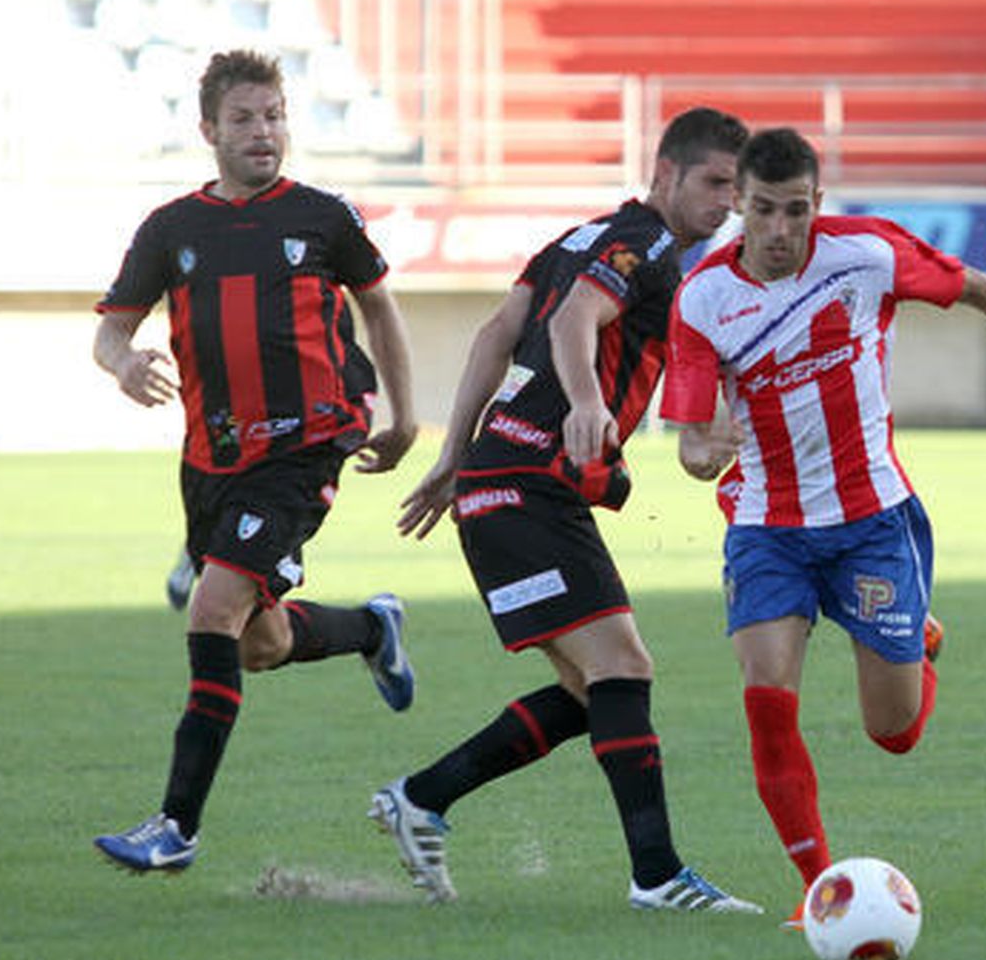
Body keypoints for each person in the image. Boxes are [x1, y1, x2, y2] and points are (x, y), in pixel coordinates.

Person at [660, 127, 986, 924]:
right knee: (767, 698)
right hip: (766, 526)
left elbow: (975, 284)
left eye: (798, 211)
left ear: (818, 203)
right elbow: (694, 440)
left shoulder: (866, 255)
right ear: (738, 204)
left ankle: (920, 639)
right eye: (765, 211)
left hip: (872, 521)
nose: (781, 231)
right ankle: (817, 893)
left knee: (894, 734)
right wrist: (705, 452)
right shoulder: (703, 298)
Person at [369, 107, 761, 913]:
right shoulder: (648, 244)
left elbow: (495, 332)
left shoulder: (576, 239)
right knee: (623, 669)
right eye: (714, 182)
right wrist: (585, 404)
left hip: (501, 483)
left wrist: (455, 456)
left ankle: (423, 797)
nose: (725, 201)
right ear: (666, 175)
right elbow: (581, 315)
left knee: (598, 692)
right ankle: (656, 878)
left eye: (735, 186)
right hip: (531, 485)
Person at [91, 50, 419, 874]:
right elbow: (110, 331)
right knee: (257, 643)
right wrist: (122, 363)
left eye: (273, 115)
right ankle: (371, 627)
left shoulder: (323, 217)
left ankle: (176, 828)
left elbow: (379, 304)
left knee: (210, 614)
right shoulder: (172, 230)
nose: (262, 132)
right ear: (209, 130)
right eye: (243, 118)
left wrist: (407, 414)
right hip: (212, 460)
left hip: (304, 447)